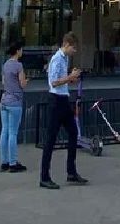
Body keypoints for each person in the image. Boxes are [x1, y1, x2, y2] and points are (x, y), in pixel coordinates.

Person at [39, 32, 87, 190]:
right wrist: (69, 77)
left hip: (64, 99)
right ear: (66, 44)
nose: (75, 51)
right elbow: (53, 82)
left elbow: (62, 80)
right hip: (56, 100)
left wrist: (71, 78)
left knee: (73, 132)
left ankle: (71, 171)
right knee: (50, 139)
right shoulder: (56, 59)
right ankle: (44, 177)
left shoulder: (65, 59)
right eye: (73, 48)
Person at [0, 41, 28, 173]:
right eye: (21, 49)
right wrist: (26, 81)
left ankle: (4, 162)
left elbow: (3, 82)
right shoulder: (18, 65)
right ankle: (13, 162)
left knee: (4, 131)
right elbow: (22, 84)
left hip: (4, 100)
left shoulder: (5, 65)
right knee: (13, 133)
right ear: (17, 51)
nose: (22, 51)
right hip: (15, 101)